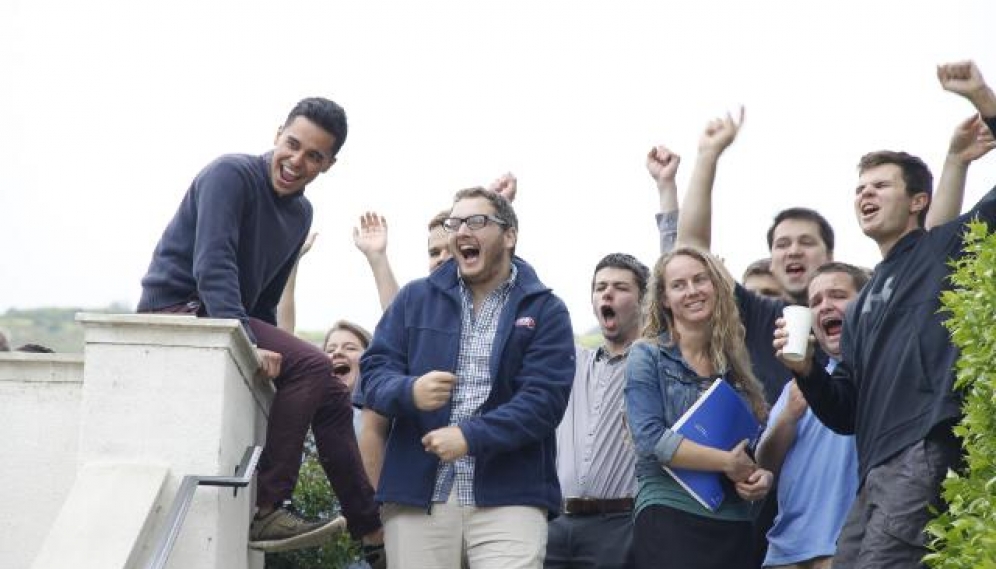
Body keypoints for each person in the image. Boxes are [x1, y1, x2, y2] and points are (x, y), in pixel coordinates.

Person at [136, 97, 383, 560]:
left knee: (328, 386)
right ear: (277, 135)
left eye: (314, 156)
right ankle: (268, 506)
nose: (297, 161)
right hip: (180, 308)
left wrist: (269, 351)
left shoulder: (300, 214)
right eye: (293, 144)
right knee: (313, 363)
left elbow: (264, 301)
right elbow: (213, 267)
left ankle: (371, 532)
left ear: (329, 164)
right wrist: (250, 344)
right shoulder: (230, 175)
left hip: (227, 315)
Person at [773, 60, 996, 567]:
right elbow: (845, 412)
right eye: (859, 188)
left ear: (919, 200)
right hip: (872, 472)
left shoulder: (944, 249)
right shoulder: (861, 304)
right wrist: (806, 369)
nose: (865, 195)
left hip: (924, 448)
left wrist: (984, 99)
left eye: (880, 185)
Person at [360, 187, 575, 569]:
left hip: (511, 497)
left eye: (477, 221)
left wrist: (470, 436)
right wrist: (410, 390)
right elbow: (374, 373)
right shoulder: (414, 298)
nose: (461, 231)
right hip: (417, 496)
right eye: (454, 223)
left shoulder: (546, 309)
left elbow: (544, 402)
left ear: (509, 235)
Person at [545, 145, 678, 569]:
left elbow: (673, 268)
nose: (607, 293)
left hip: (621, 526)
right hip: (557, 523)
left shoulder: (655, 358)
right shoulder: (573, 362)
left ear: (643, 301)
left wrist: (666, 188)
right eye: (600, 287)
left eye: (619, 287)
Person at [625, 245, 772, 569]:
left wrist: (759, 476)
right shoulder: (647, 355)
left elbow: (750, 451)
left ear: (716, 286)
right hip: (670, 514)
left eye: (699, 280)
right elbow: (650, 439)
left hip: (733, 522)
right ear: (664, 298)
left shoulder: (738, 367)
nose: (692, 291)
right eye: (679, 285)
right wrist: (726, 463)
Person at [756, 262, 869, 569]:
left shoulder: (880, 373)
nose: (824, 306)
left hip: (849, 549)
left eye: (837, 295)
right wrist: (788, 416)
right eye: (815, 301)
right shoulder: (796, 385)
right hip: (785, 552)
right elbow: (765, 466)